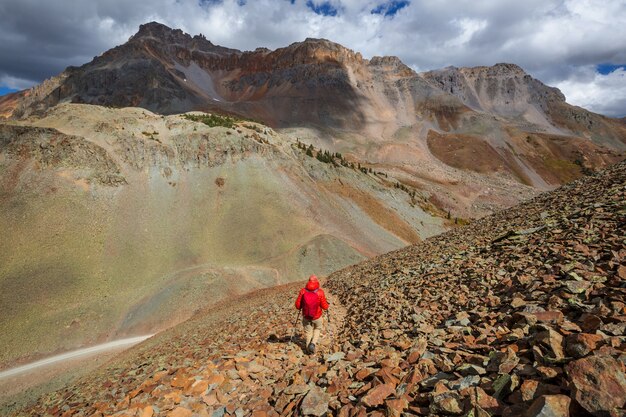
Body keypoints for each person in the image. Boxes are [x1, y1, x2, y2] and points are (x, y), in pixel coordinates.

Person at [294, 275, 329, 354]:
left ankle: (308, 350)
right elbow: (324, 306)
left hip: (306, 316)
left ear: (308, 281)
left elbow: (297, 306)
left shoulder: (303, 291)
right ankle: (313, 343)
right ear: (317, 281)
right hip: (317, 317)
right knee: (317, 329)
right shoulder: (320, 292)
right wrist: (327, 306)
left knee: (309, 332)